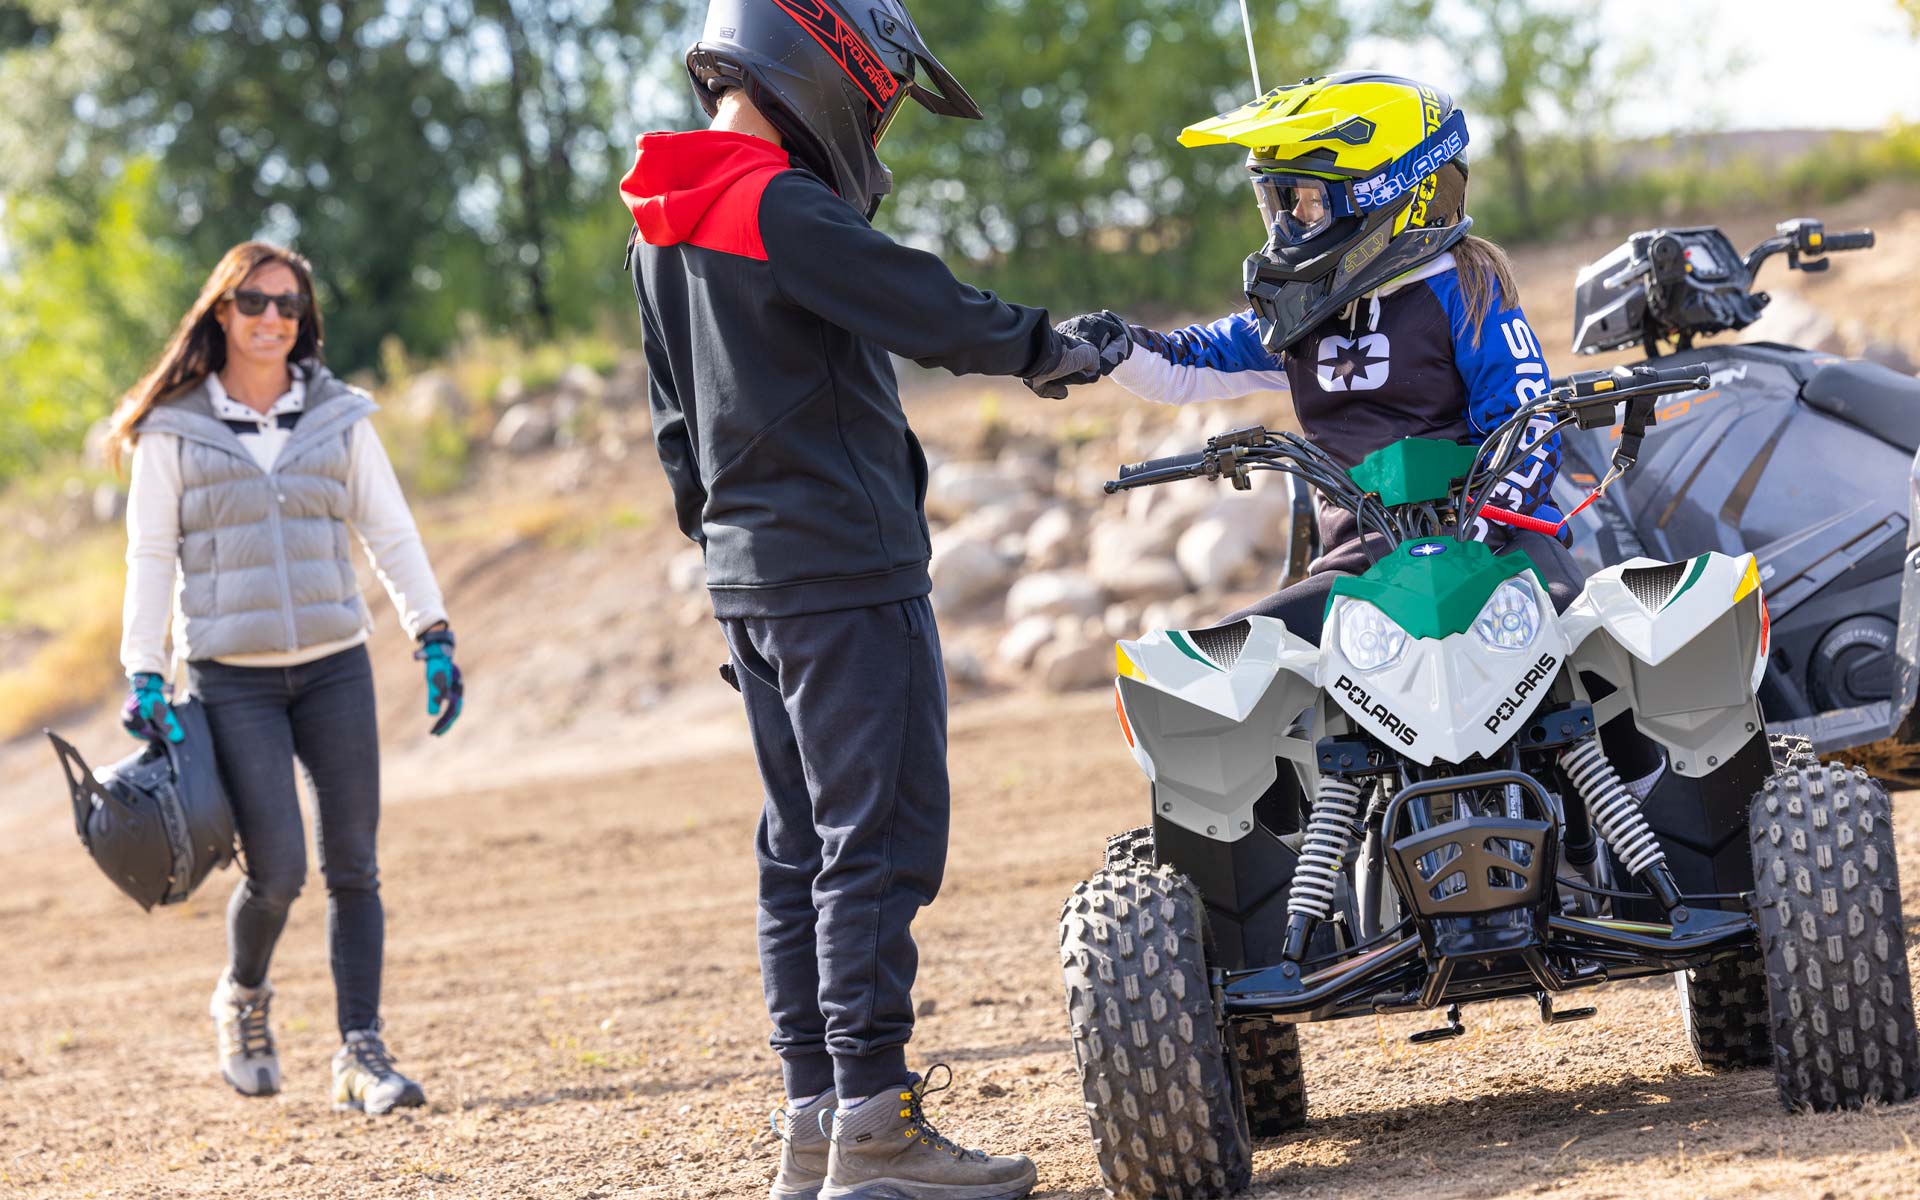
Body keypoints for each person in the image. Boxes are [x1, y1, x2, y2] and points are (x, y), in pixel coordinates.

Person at [619, 3, 1102, 1197]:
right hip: (843, 569)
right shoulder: (778, 205)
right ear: (827, 66)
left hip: (754, 579)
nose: (877, 123)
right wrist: (1048, 345)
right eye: (880, 99)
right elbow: (923, 306)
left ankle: (816, 1127)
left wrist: (736, 566)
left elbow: (676, 432)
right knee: (875, 846)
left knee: (799, 851)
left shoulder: (662, 221)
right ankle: (878, 1134)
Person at [1057, 72, 1663, 785]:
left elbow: (1528, 428)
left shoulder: (1465, 287)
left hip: (1498, 546)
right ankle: (1296, 852)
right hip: (1360, 568)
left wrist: (1474, 529)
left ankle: (1640, 824)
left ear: (1387, 193)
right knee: (1214, 683)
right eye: (1280, 200)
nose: (1289, 221)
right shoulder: (1299, 311)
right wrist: (1110, 345)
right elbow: (1189, 362)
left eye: (1307, 199)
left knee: (1605, 653)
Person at [108, 241, 466, 1115]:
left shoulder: (338, 416)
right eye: (255, 302)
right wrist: (144, 669)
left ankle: (361, 1052)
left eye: (289, 305)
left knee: (355, 866)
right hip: (233, 680)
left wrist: (432, 631)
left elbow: (389, 530)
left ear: (304, 321)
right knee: (277, 871)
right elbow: (150, 555)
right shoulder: (174, 429)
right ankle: (241, 996)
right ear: (222, 311)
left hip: (335, 665)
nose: (273, 318)